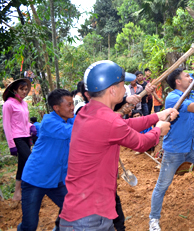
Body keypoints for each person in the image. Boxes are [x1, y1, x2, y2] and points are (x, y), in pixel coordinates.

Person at [59, 60, 178, 231]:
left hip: (84, 208)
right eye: (123, 85)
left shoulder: (88, 112)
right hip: (90, 216)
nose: (126, 89)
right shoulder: (107, 120)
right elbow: (141, 143)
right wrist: (158, 131)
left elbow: (126, 126)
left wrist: (157, 116)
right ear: (112, 90)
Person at [149, 68, 194, 231]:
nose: (191, 77)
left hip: (192, 148)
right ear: (178, 82)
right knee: (162, 185)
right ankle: (153, 220)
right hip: (174, 151)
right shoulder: (173, 98)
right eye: (187, 76)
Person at [17, 89, 75, 231]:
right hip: (35, 180)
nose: (73, 107)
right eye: (69, 104)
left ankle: (58, 228)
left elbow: (85, 120)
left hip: (56, 180)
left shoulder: (71, 119)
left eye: (73, 104)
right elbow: (76, 131)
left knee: (73, 210)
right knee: (29, 225)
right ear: (56, 108)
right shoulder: (49, 121)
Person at [2, 78, 32, 201]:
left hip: (26, 136)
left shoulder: (24, 104)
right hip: (17, 138)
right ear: (15, 90)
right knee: (30, 160)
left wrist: (32, 127)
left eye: (26, 89)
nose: (24, 92)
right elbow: (6, 125)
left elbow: (25, 122)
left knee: (22, 164)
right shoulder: (8, 104)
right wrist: (11, 144)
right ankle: (30, 190)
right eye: (21, 89)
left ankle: (17, 193)